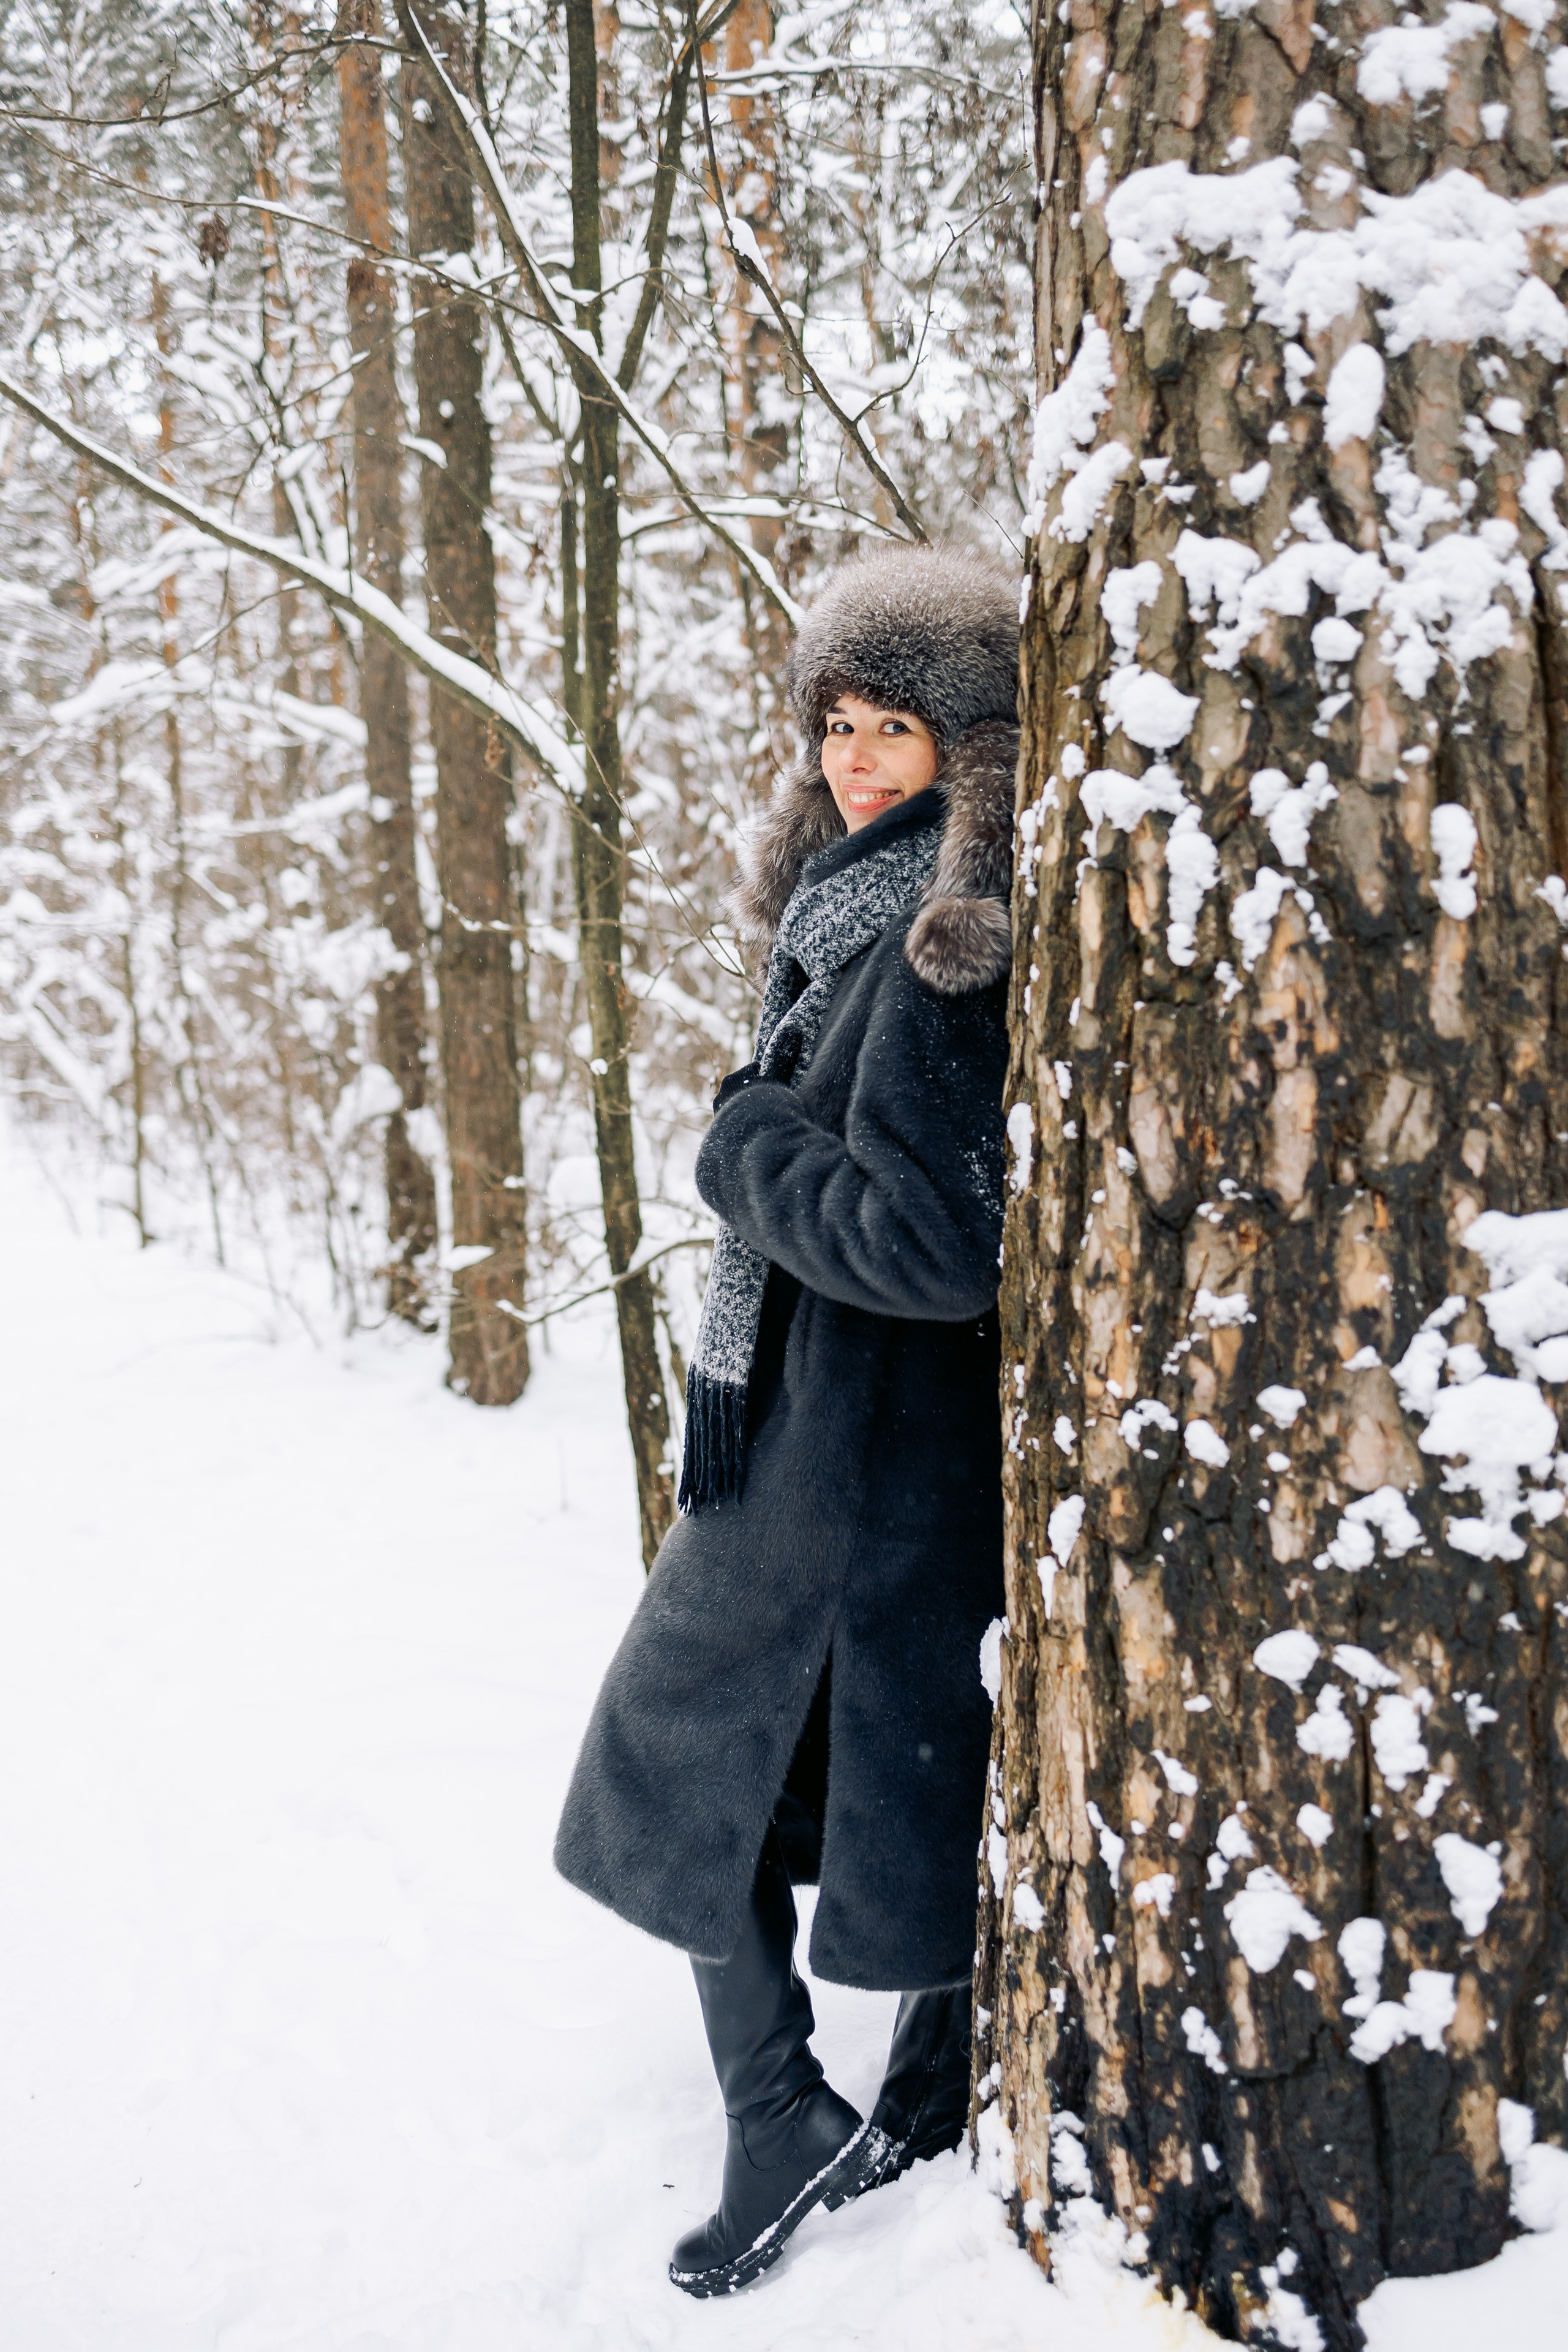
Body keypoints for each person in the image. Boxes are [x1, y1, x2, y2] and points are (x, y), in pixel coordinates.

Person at [554, 544, 1019, 2296]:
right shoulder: (854, 911)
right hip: (836, 1452)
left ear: (969, 751)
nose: (854, 758)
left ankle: (782, 2114)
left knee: (672, 1761)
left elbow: (931, 1245)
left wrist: (744, 1146)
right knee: (881, 1777)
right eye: (836, 721)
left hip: (851, 1468)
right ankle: (920, 2083)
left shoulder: (934, 948)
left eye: (896, 726)